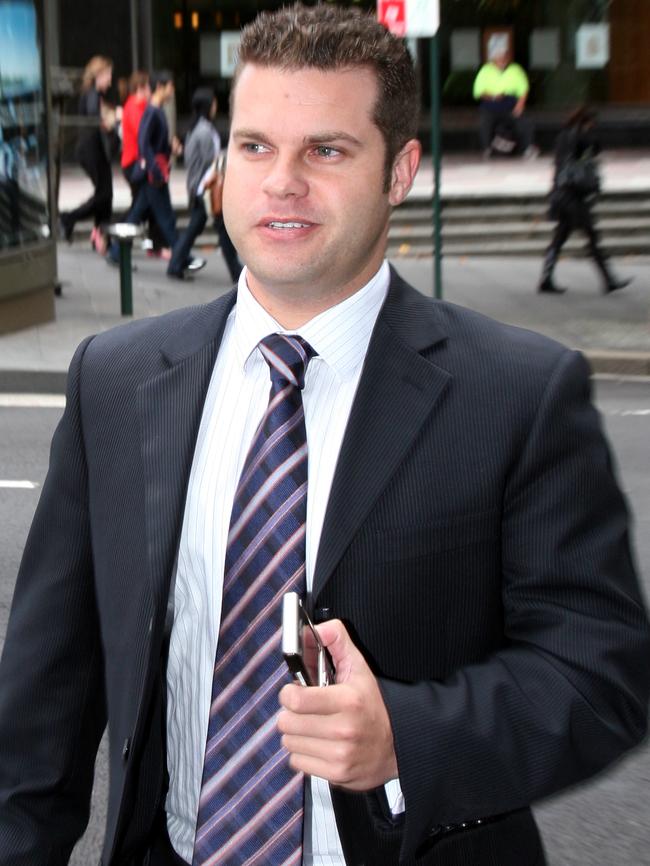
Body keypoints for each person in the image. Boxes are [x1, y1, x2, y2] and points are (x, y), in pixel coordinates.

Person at [1, 5, 649, 866]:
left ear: (400, 171)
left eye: (327, 150)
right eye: (257, 146)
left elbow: (599, 672)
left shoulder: (520, 393)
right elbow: (46, 695)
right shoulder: (115, 381)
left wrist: (407, 740)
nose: (282, 182)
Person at [107, 70, 205, 277]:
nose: (172, 91)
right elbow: (144, 144)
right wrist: (154, 168)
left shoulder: (155, 110)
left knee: (138, 213)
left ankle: (116, 252)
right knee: (166, 218)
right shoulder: (152, 111)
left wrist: (170, 150)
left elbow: (153, 144)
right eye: (170, 87)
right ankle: (182, 258)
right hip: (154, 175)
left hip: (154, 173)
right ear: (161, 86)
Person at [538, 105, 631, 294]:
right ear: (587, 122)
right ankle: (609, 280)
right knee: (592, 238)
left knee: (560, 238)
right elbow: (596, 148)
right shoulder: (582, 136)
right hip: (574, 197)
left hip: (560, 193)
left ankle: (546, 278)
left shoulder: (563, 136)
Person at [168, 87, 242, 282]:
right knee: (221, 229)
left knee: (196, 228)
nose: (216, 106)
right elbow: (212, 160)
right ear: (208, 106)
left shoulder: (197, 128)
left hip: (201, 187)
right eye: (214, 103)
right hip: (206, 188)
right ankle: (235, 271)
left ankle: (176, 264)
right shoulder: (204, 131)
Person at [59, 55, 119, 255]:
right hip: (91, 151)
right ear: (99, 74)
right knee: (104, 194)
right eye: (108, 74)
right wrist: (111, 118)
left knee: (105, 194)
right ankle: (69, 218)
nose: (110, 79)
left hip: (93, 150)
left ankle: (101, 237)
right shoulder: (92, 94)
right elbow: (95, 119)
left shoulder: (93, 94)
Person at [473, 39, 537, 159]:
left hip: (509, 103)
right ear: (493, 59)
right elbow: (478, 92)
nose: (502, 60)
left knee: (524, 122)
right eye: (498, 57)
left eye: (504, 56)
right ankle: (487, 149)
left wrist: (520, 105)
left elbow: (523, 89)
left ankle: (528, 148)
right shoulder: (485, 70)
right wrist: (493, 96)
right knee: (485, 122)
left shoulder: (515, 69)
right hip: (491, 104)